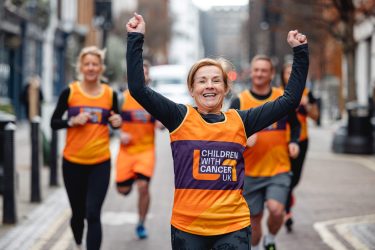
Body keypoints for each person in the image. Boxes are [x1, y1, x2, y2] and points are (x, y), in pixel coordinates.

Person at [125, 13, 308, 249]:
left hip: (233, 227)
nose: (209, 85)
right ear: (192, 89)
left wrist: (300, 52)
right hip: (188, 227)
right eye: (202, 81)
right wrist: (135, 38)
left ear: (225, 88)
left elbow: (290, 100)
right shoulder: (179, 117)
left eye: (215, 80)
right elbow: (138, 89)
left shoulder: (241, 121)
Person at [50, 46, 122, 250]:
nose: (91, 68)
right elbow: (54, 122)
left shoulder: (110, 94)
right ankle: (79, 243)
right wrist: (71, 122)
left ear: (101, 68)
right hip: (72, 163)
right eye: (87, 64)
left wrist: (117, 121)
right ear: (80, 67)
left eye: (95, 64)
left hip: (100, 162)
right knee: (78, 214)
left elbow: (115, 121)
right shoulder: (70, 92)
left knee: (93, 213)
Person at [230, 55, 301, 250]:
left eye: (264, 70)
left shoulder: (283, 98)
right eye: (256, 70)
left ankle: (270, 239)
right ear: (251, 72)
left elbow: (295, 125)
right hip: (250, 172)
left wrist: (294, 142)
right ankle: (257, 244)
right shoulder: (240, 101)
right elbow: (227, 133)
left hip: (278, 168)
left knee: (276, 209)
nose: (259, 74)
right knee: (254, 221)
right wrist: (243, 139)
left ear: (271, 74)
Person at [115, 60, 164, 239]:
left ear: (149, 76)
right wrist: (119, 134)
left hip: (146, 151)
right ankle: (131, 180)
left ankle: (141, 223)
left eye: (145, 73)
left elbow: (164, 120)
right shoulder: (121, 98)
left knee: (143, 187)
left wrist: (161, 124)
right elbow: (111, 122)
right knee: (122, 190)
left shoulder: (154, 100)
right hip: (126, 151)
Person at [280, 62, 319, 233]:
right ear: (282, 75)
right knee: (286, 178)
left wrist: (306, 106)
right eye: (287, 72)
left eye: (293, 71)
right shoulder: (277, 93)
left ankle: (288, 198)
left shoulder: (306, 93)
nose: (290, 74)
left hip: (302, 139)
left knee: (294, 179)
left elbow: (315, 116)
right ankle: (287, 212)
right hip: (281, 140)